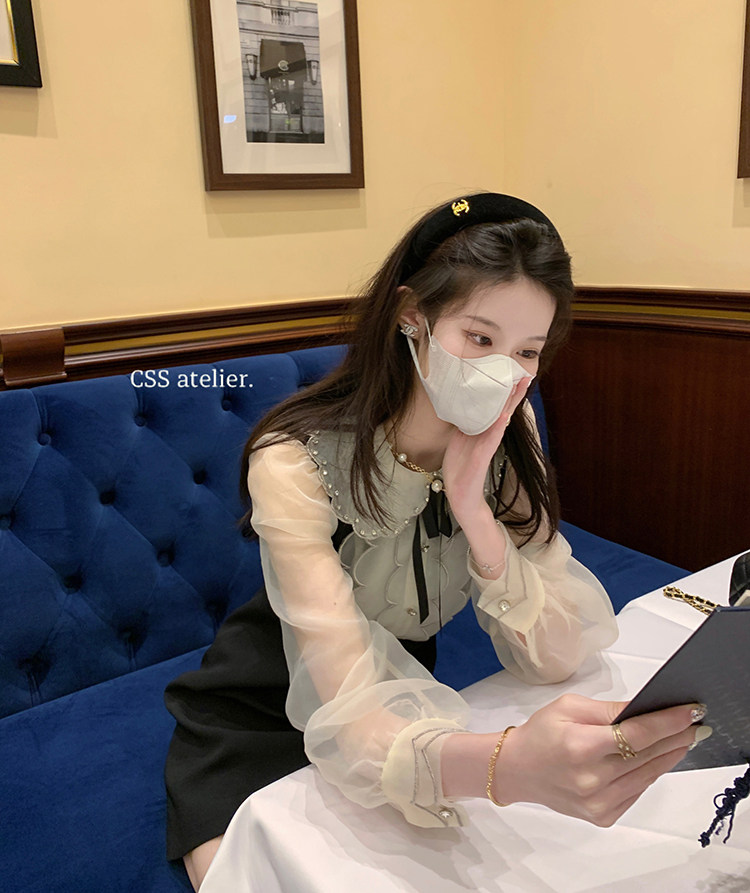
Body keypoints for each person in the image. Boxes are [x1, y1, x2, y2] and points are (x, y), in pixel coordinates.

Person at [164, 193, 708, 891]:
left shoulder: (510, 436)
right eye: (479, 339)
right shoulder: (294, 459)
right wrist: (508, 767)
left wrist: (472, 508)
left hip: (404, 697)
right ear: (411, 316)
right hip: (262, 708)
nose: (504, 372)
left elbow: (560, 653)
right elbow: (352, 715)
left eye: (527, 351)